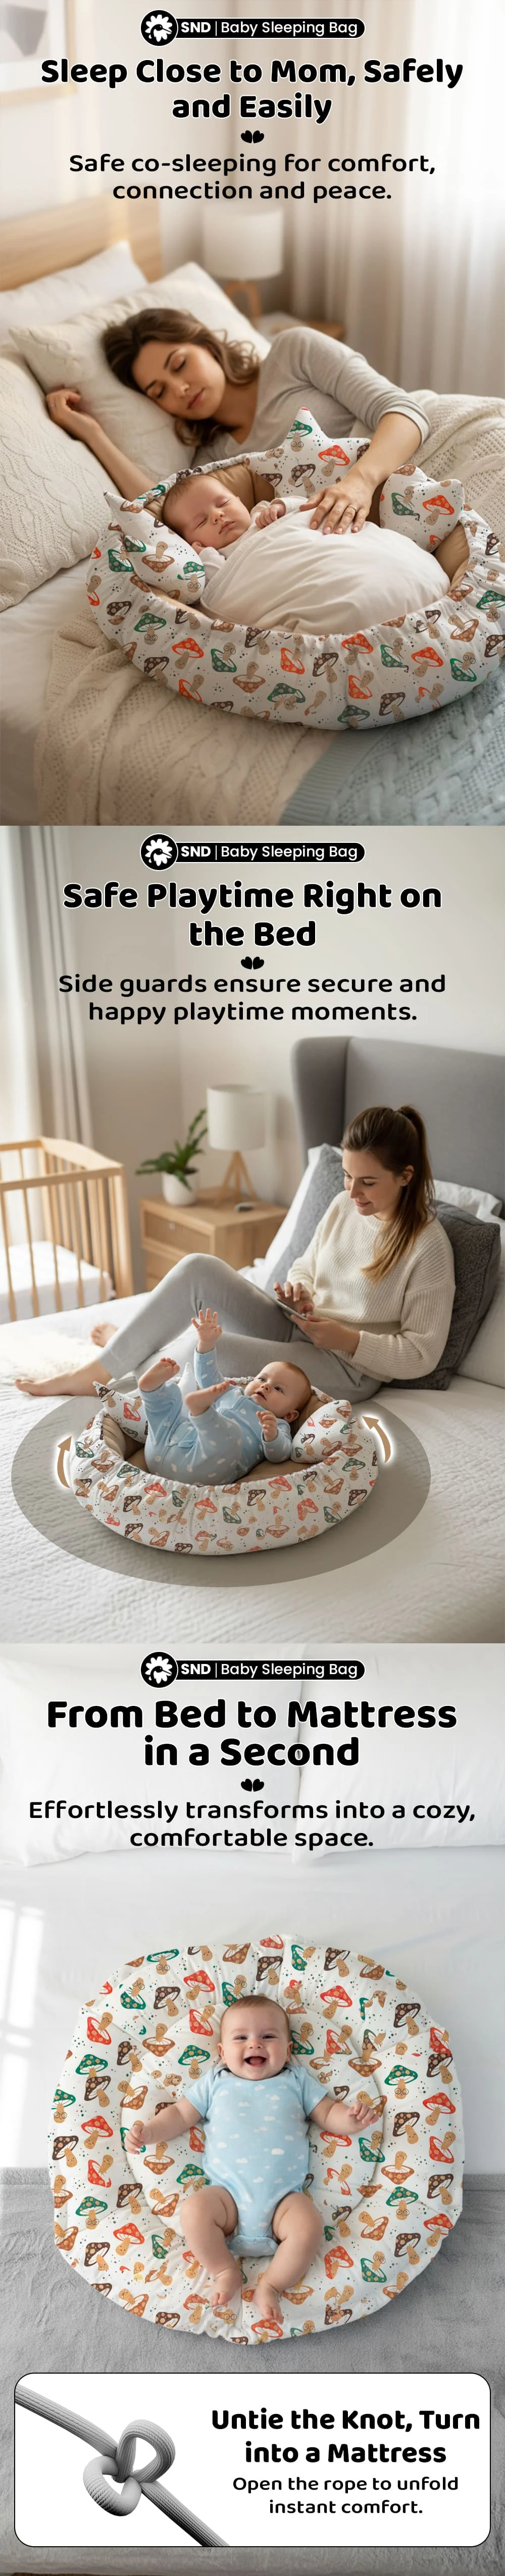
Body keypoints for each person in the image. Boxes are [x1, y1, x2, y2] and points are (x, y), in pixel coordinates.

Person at [17, 1104, 455, 1407]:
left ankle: (137, 1356)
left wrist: (347, 1339)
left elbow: (422, 1354)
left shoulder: (428, 1246)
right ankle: (103, 1366)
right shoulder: (344, 1206)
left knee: (213, 1350)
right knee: (199, 1268)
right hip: (299, 1328)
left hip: (347, 1366)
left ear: (405, 1176)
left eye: (368, 1183)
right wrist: (299, 1289)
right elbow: (306, 1263)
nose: (352, 1192)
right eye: (346, 1176)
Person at [45, 300, 435, 544]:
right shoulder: (215, 458)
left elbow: (404, 412)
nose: (179, 389)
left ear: (207, 344)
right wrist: (93, 434)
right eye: (159, 392)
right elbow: (160, 506)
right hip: (367, 532)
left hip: (422, 460)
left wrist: (358, 484)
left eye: (179, 364)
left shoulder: (293, 352)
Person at [126, 1993, 378, 2324]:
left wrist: (352, 2120)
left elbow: (328, 2112)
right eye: (241, 2038)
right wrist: (150, 2133)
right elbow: (179, 2114)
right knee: (195, 2211)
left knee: (309, 2226)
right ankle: (223, 2269)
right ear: (222, 2052)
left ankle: (272, 2284)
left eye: (269, 2037)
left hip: (284, 2202)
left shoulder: (297, 2081)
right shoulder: (215, 2082)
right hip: (226, 2199)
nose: (255, 2044)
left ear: (288, 2051)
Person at [160, 464, 454, 637]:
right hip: (273, 577)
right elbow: (214, 593)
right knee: (346, 603)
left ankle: (410, 576)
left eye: (223, 504)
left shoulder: (263, 514)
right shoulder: (217, 560)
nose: (217, 516)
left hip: (335, 548)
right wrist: (202, 556)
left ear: (239, 500)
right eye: (201, 522)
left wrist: (281, 506)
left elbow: (306, 509)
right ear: (190, 542)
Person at [138, 1305, 311, 1482]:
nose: (266, 1387)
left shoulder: (278, 1425)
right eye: (262, 1379)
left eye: (279, 1389)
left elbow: (281, 1455)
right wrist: (206, 1344)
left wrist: (272, 1436)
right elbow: (208, 1375)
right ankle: (153, 1393)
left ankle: (201, 1412)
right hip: (164, 1447)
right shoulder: (231, 1392)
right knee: (172, 1411)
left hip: (206, 1468)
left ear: (290, 1415)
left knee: (231, 1435)